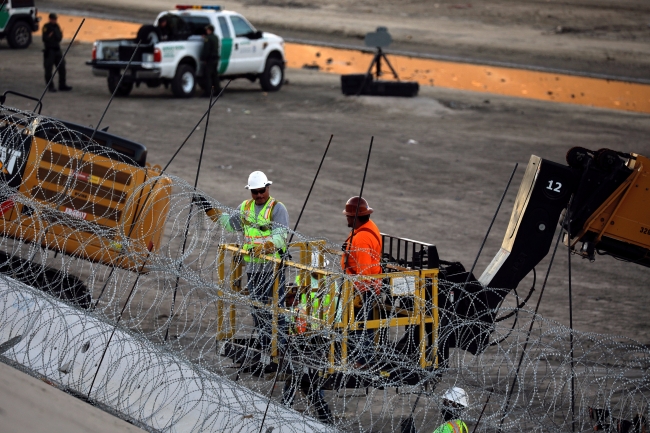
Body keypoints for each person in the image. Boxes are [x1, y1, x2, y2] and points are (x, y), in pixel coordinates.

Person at [197, 171, 289, 373]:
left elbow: (281, 237)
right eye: (255, 192)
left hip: (273, 268)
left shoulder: (276, 208)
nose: (258, 195)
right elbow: (230, 223)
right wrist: (209, 210)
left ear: (268, 188)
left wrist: (263, 248)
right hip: (254, 268)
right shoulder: (245, 208)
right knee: (258, 311)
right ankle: (267, 349)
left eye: (261, 191)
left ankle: (279, 351)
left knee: (275, 311)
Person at [340, 196, 382, 368]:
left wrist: (359, 293)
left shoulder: (362, 238)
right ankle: (360, 358)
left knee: (361, 326)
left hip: (363, 289)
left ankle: (362, 361)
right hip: (365, 287)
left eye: (348, 215)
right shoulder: (365, 228)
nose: (346, 218)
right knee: (362, 325)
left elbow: (364, 270)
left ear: (355, 217)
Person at [42, 13, 72, 92]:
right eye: (54, 19)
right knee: (49, 69)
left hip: (57, 50)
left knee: (62, 67)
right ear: (50, 19)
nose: (55, 20)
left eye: (55, 19)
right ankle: (50, 86)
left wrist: (54, 34)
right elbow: (45, 38)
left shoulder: (57, 26)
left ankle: (62, 85)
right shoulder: (46, 27)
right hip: (49, 50)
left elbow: (59, 37)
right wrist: (50, 36)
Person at [200, 25, 220, 96]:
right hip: (215, 58)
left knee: (208, 76)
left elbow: (206, 50)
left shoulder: (208, 38)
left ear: (209, 30)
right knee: (215, 75)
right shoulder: (215, 37)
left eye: (207, 30)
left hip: (209, 59)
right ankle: (218, 91)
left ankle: (208, 92)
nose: (206, 31)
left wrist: (203, 58)